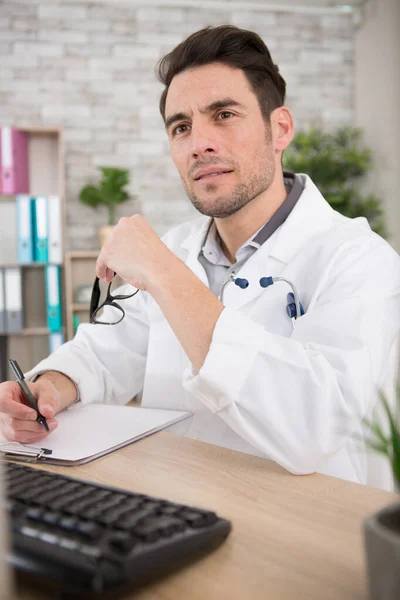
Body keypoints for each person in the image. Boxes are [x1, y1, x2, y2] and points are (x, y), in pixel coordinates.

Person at [1, 26, 399, 489]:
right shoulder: (176, 247)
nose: (198, 144)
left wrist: (166, 275)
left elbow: (315, 426)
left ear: (280, 128)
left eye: (224, 114)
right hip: (170, 505)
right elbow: (108, 351)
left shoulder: (360, 260)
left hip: (300, 532)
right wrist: (48, 388)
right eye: (181, 127)